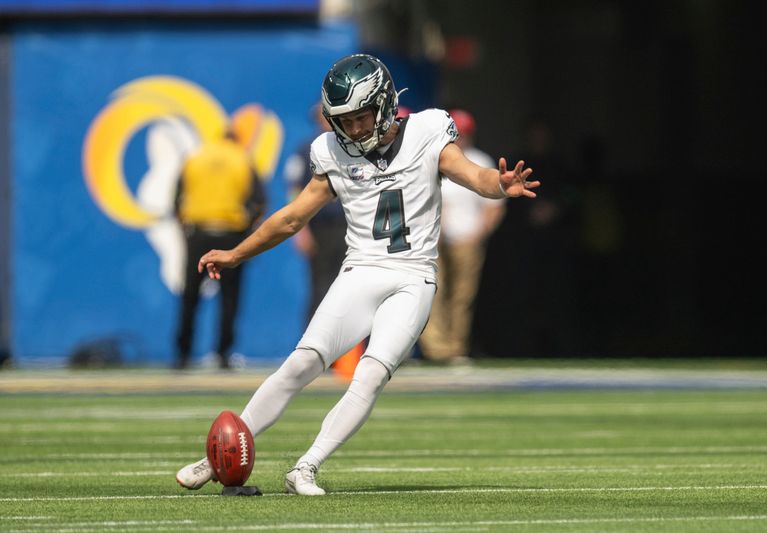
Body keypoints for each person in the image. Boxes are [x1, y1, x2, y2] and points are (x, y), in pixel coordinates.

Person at [176, 53, 539, 495]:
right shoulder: (331, 152)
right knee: (301, 363)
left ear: (385, 104)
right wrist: (236, 254)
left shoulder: (426, 131)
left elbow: (471, 174)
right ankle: (218, 458)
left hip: (412, 277)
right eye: (343, 121)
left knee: (369, 374)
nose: (353, 130)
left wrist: (498, 186)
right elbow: (290, 219)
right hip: (361, 270)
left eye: (361, 117)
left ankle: (305, 467)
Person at [173, 128, 266, 370]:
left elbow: (176, 200)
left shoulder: (195, 158)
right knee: (229, 298)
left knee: (190, 296)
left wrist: (186, 229)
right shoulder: (242, 160)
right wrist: (247, 228)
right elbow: (259, 201)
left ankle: (183, 354)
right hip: (231, 234)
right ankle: (223, 353)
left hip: (198, 233)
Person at [418, 109, 505, 364]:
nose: (460, 139)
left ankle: (456, 347)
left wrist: (481, 232)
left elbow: (493, 205)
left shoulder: (481, 159)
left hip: (467, 237)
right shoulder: (435, 157)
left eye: (464, 134)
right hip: (435, 237)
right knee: (433, 291)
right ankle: (436, 349)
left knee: (462, 295)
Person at [283, 103, 346, 323]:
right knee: (320, 287)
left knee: (350, 288)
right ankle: (314, 347)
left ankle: (350, 352)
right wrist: (301, 230)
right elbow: (294, 190)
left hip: (349, 226)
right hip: (320, 226)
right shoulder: (308, 149)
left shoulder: (351, 146)